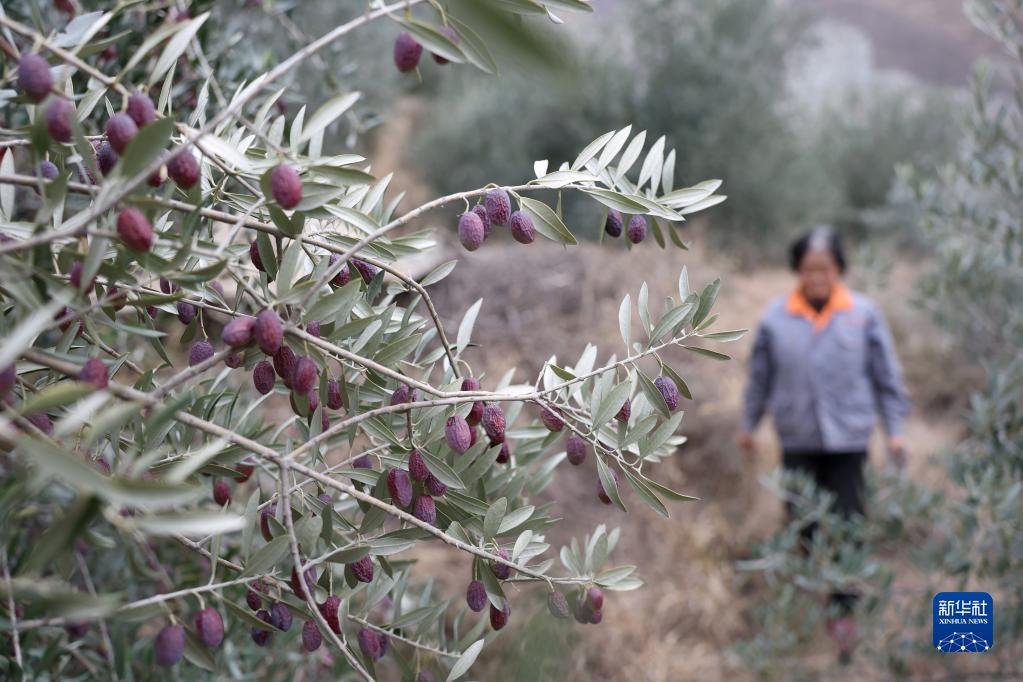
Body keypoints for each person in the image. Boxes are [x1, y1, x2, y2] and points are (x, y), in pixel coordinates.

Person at [738, 227, 910, 657]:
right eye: (809, 267)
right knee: (804, 523)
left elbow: (886, 378)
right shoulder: (776, 319)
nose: (817, 275)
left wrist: (896, 431)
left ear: (839, 270)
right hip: (797, 439)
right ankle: (812, 593)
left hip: (849, 441)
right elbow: (759, 377)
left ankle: (844, 611)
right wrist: (748, 424)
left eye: (825, 268)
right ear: (798, 269)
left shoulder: (862, 314)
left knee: (849, 525)